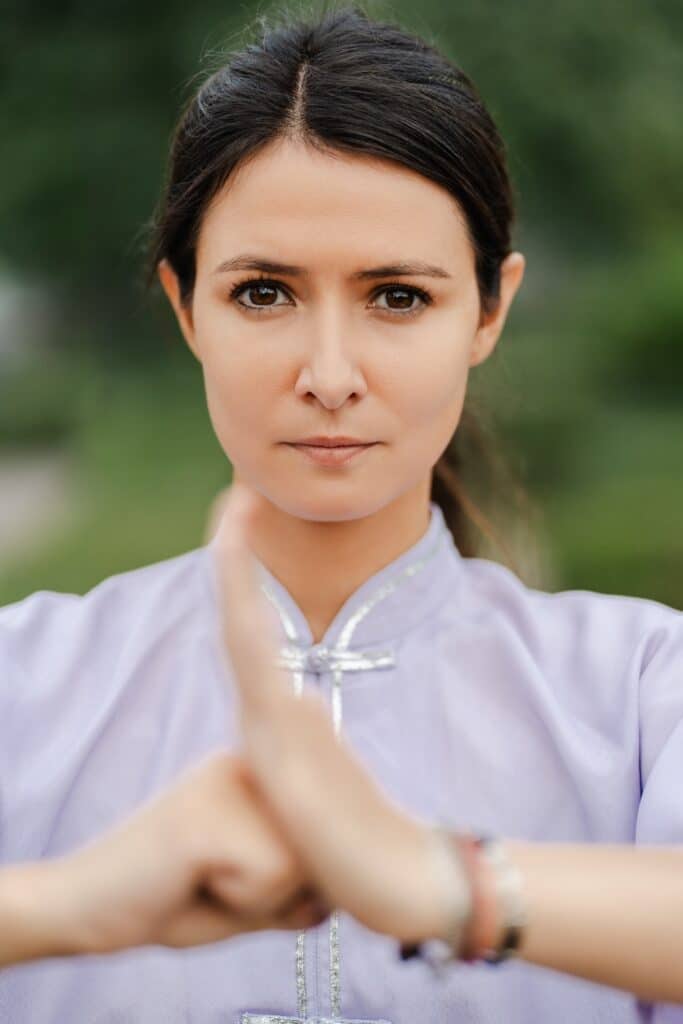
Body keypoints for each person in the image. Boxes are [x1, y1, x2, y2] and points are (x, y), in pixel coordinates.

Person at [1, 4, 682, 1022]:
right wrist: (64, 908)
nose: (327, 375)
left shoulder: (638, 692)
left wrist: (439, 881)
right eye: (264, 292)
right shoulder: (22, 682)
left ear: (488, 311)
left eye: (397, 296)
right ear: (185, 306)